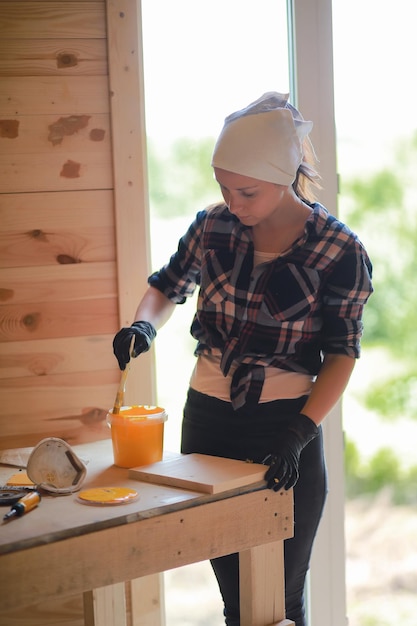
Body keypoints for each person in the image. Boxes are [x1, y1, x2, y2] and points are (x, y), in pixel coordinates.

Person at [113, 92, 373, 626]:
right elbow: (166, 287)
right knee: (239, 601)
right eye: (224, 188)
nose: (234, 202)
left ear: (286, 175)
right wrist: (143, 323)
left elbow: (342, 352)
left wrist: (300, 433)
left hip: (283, 430)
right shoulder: (213, 227)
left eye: (247, 191)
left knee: (279, 600)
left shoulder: (338, 250)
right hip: (206, 421)